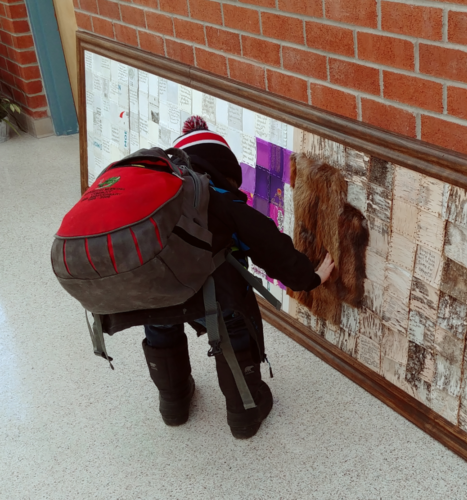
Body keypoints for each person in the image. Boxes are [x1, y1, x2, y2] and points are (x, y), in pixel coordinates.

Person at [115, 116, 334, 439]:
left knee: (160, 322)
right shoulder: (222, 200)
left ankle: (173, 403)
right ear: (223, 170)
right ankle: (245, 413)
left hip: (156, 291)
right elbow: (270, 246)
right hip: (214, 296)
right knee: (233, 330)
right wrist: (310, 278)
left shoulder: (158, 194)